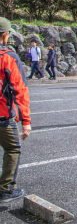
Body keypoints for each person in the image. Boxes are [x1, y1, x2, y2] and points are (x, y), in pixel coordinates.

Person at [0, 18, 31, 202]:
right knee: (12, 149)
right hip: (3, 115)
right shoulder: (8, 56)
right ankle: (6, 188)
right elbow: (20, 89)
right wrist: (26, 121)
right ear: (5, 35)